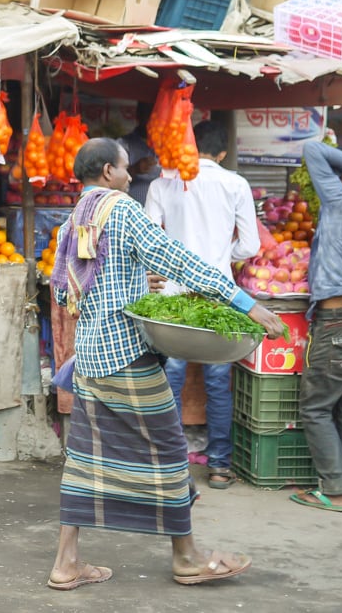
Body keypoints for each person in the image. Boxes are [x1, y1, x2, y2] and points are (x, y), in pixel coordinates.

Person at [47, 137, 283, 590]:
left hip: (90, 358)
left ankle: (66, 563)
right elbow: (179, 260)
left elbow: (64, 292)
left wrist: (135, 279)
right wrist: (244, 302)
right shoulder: (121, 209)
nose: (131, 174)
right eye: (124, 167)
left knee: (84, 460)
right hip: (127, 356)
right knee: (170, 452)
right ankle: (187, 558)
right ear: (107, 172)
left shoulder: (72, 221)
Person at [144, 120, 260, 490]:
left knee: (170, 382)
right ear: (223, 152)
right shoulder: (236, 183)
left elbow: (149, 240)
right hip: (219, 295)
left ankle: (173, 466)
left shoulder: (163, 184)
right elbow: (250, 247)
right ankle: (220, 467)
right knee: (217, 382)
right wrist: (224, 254)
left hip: (174, 299)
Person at [290, 140, 342, 512]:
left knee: (316, 407)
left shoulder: (339, 202)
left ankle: (337, 492)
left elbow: (312, 148)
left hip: (338, 322)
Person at [117, 102, 160, 206]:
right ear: (139, 116)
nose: (153, 120)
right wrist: (135, 169)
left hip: (163, 213)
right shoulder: (123, 144)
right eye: (149, 115)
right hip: (132, 211)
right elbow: (112, 178)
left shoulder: (170, 145)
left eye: (157, 115)